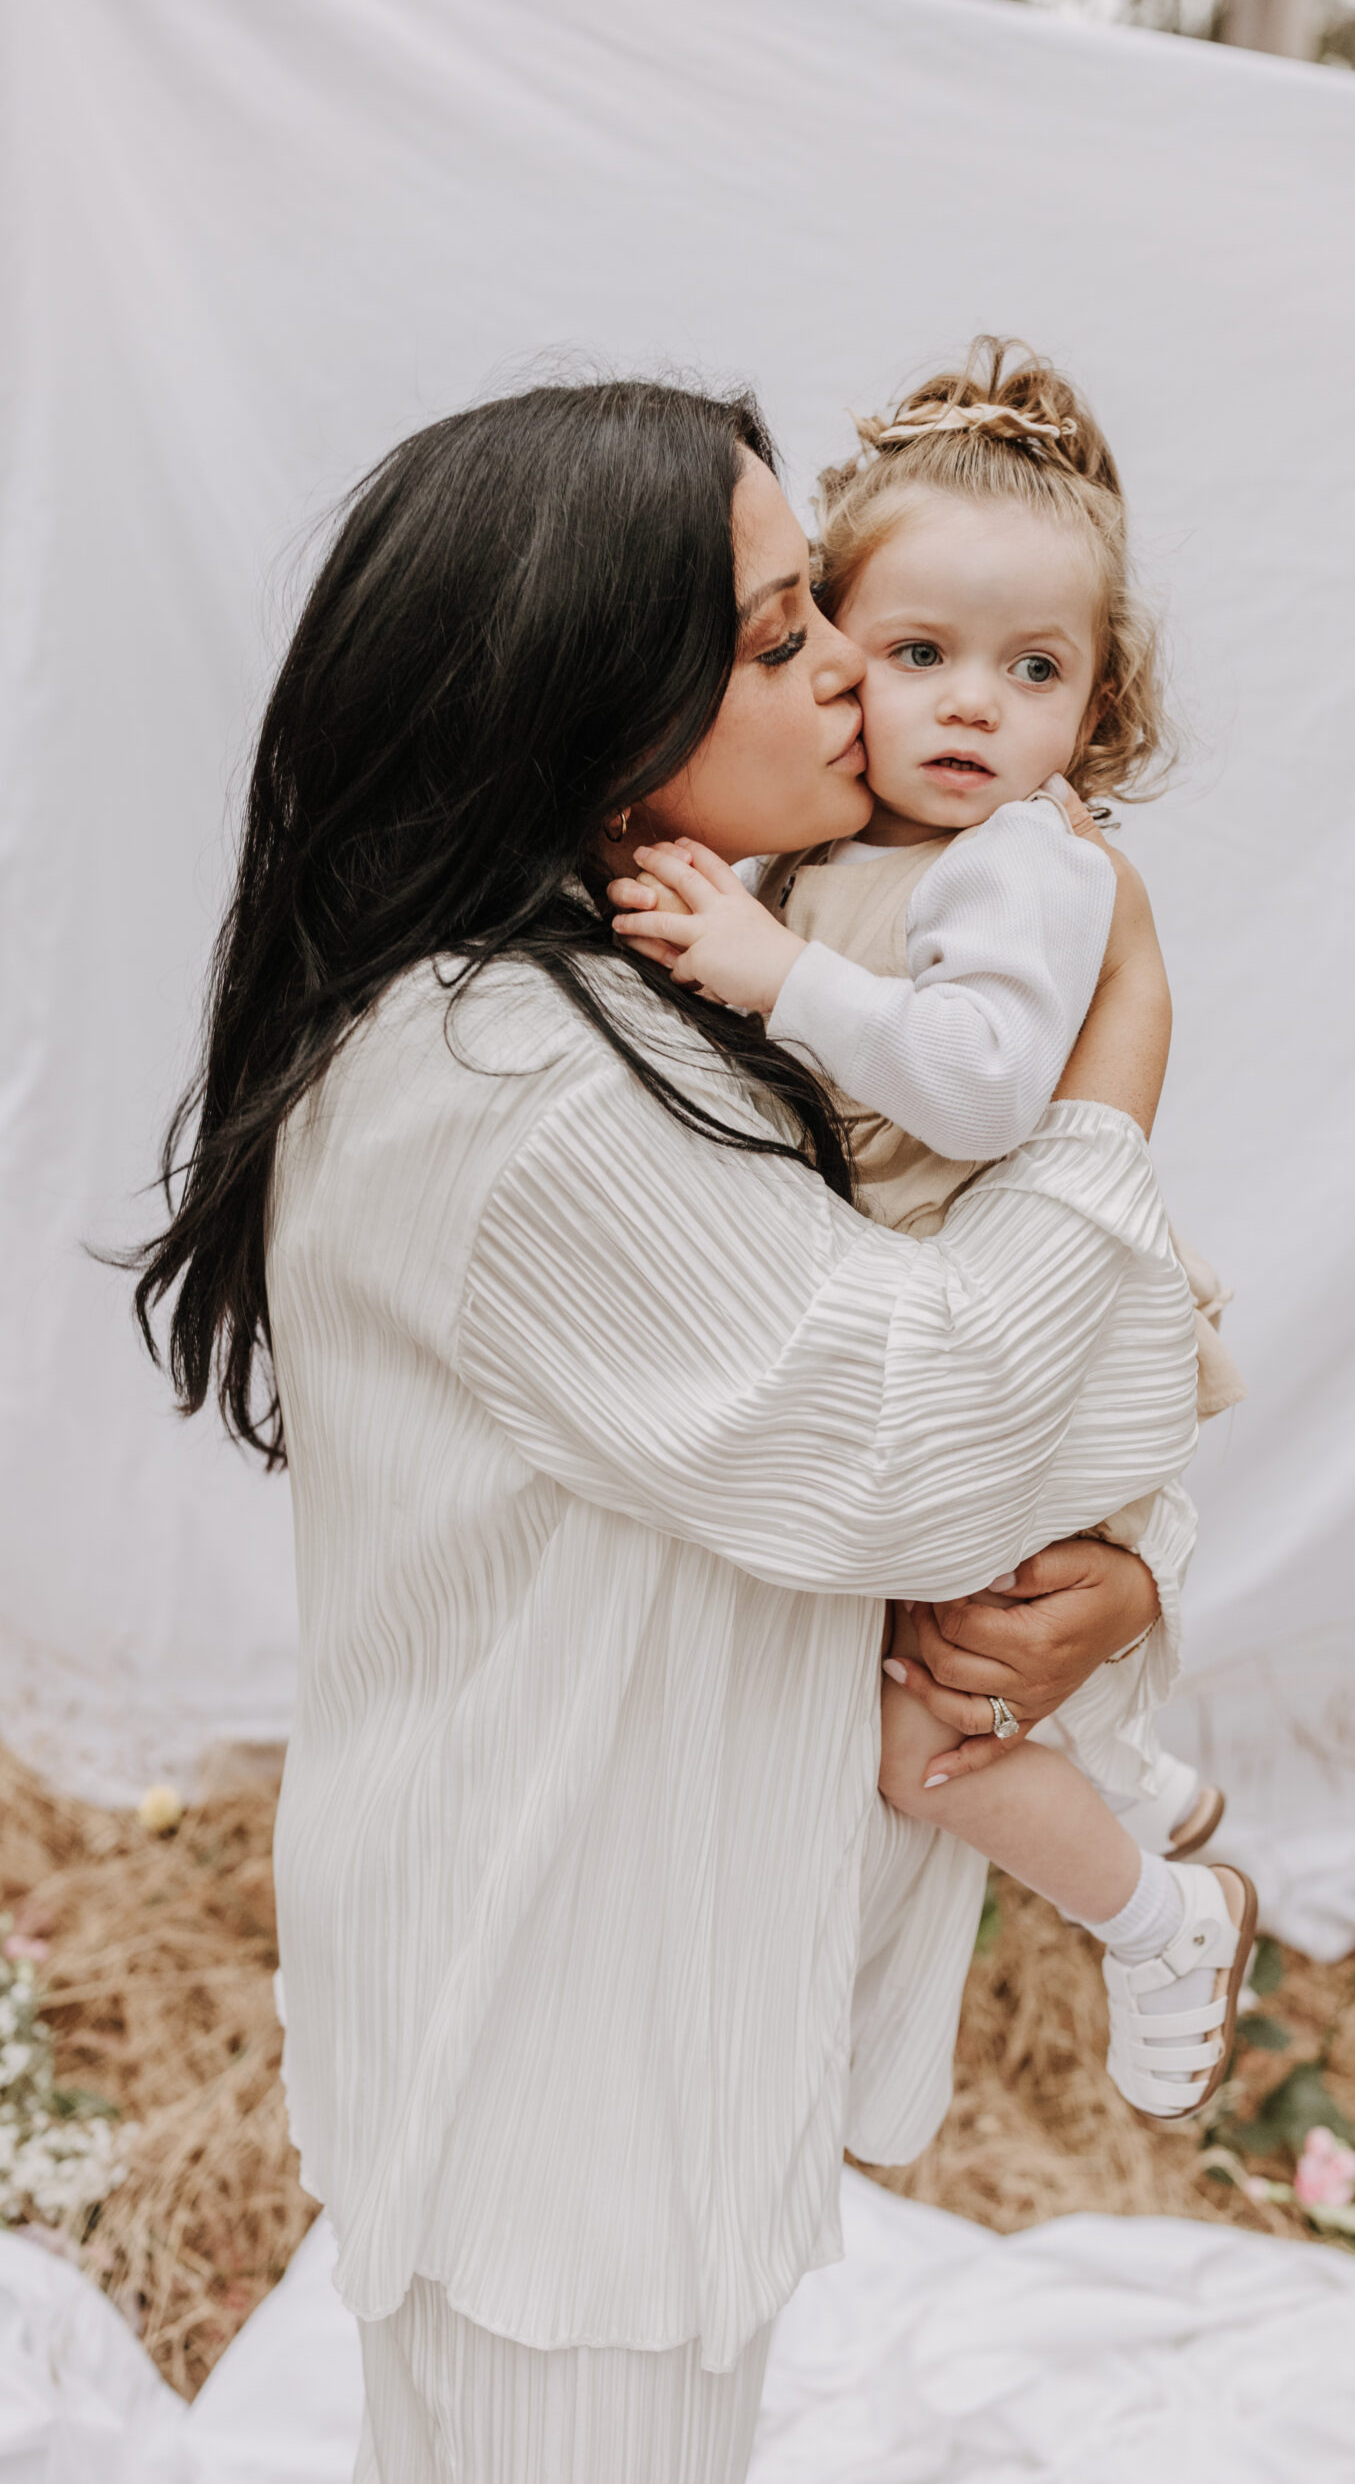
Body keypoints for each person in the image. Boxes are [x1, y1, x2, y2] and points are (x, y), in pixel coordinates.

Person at [129, 378, 1200, 2483]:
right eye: (787, 625)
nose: (853, 678)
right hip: (570, 2054)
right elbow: (913, 1433)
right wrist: (1117, 1054)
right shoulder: (518, 1075)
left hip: (578, 1992)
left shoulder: (624, 997)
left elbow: (885, 1375)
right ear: (593, 698)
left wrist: (1127, 1572)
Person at [607, 343, 1254, 2122]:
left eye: (1032, 669)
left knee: (927, 1735)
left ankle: (1161, 1917)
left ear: (1094, 701)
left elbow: (972, 1092)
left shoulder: (1027, 863)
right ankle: (1143, 1791)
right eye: (919, 657)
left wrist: (772, 969)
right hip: (942, 1318)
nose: (974, 707)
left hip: (1030, 1344)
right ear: (833, 653)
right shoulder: (830, 857)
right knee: (933, 1683)